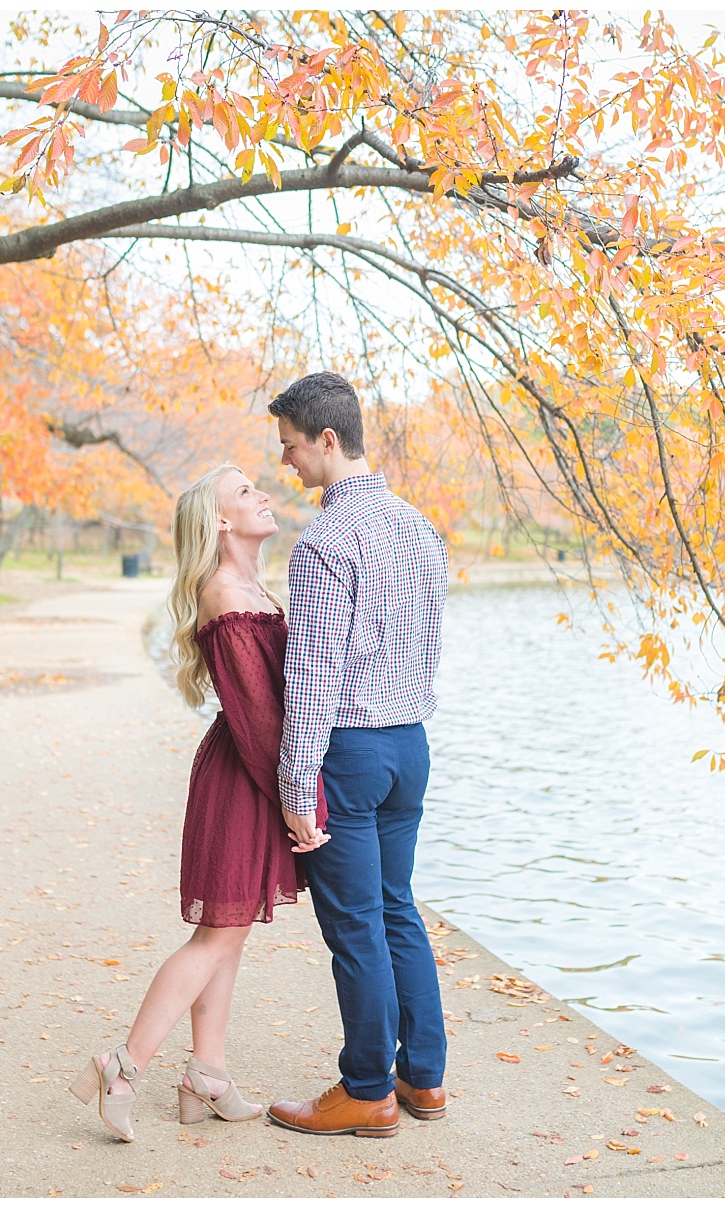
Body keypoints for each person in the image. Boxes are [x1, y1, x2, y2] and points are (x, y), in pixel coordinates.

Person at [71, 464, 327, 1143]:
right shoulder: (224, 590)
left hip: (249, 767)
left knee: (229, 933)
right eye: (245, 492)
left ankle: (206, 1079)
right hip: (245, 771)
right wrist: (297, 798)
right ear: (218, 520)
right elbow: (259, 719)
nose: (264, 495)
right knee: (215, 935)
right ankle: (121, 1067)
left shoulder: (249, 584)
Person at [262, 372, 450, 1140]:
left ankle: (367, 1088)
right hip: (411, 747)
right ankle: (423, 1079)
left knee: (356, 927)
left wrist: (293, 784)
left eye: (292, 448)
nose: (288, 465)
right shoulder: (422, 530)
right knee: (398, 907)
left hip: (347, 751)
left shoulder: (325, 544)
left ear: (328, 441)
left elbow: (312, 679)